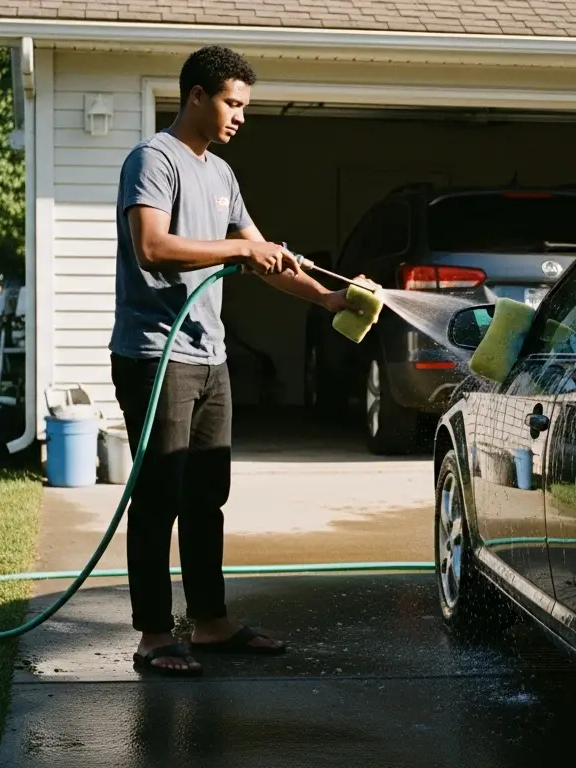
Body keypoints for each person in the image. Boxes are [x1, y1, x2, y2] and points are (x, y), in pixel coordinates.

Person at [109, 45, 367, 676]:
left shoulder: (221, 176)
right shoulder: (153, 160)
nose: (241, 116)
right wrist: (238, 252)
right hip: (155, 355)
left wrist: (329, 297)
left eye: (245, 105)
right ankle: (151, 634)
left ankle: (211, 622)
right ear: (196, 95)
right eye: (232, 102)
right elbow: (151, 246)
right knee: (159, 496)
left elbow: (263, 255)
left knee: (207, 494)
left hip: (209, 356)